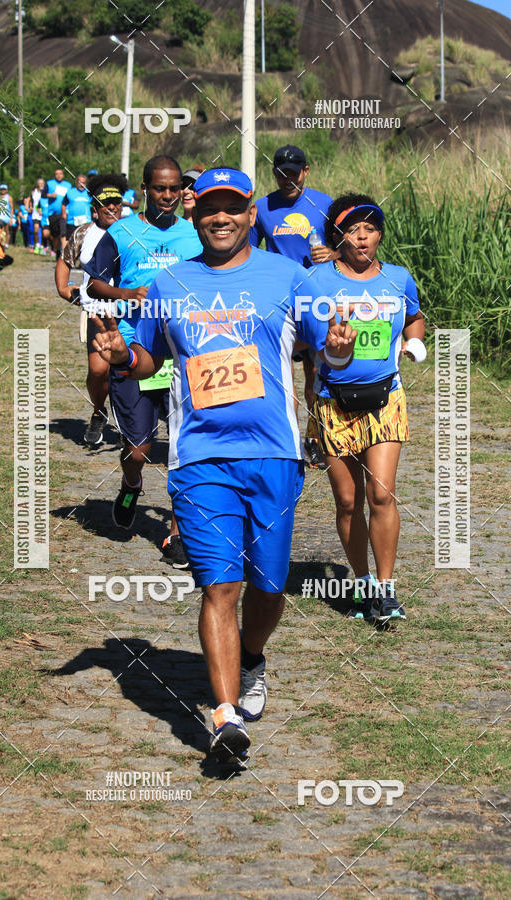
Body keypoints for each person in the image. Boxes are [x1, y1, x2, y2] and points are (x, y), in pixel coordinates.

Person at [90, 168, 357, 761]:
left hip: (274, 456)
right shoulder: (171, 284)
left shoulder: (289, 277)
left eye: (232, 208)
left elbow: (326, 349)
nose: (220, 218)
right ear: (195, 212)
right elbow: (145, 356)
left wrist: (337, 349)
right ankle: (224, 716)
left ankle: (253, 656)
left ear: (249, 212)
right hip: (199, 459)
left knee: (266, 587)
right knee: (221, 586)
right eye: (209, 207)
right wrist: (120, 353)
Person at [310, 194, 425, 624]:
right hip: (333, 402)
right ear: (336, 235)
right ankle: (360, 585)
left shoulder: (398, 278)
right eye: (352, 229)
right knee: (347, 500)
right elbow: (300, 340)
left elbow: (414, 316)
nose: (363, 237)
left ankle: (386, 589)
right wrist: (328, 348)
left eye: (371, 228)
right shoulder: (315, 281)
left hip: (385, 398)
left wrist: (414, 342)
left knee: (381, 493)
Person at [84, 155, 203, 567]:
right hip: (134, 350)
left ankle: (176, 534)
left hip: (185, 354)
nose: (168, 196)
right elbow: (95, 282)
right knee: (138, 450)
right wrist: (127, 295)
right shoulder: (122, 232)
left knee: (183, 450)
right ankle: (130, 484)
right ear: (145, 189)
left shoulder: (194, 235)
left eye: (174, 189)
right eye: (159, 189)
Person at [251, 145, 334, 468]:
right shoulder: (261, 208)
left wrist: (333, 255)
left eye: (294, 172)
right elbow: (248, 252)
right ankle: (284, 437)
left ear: (306, 171)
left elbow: (347, 248)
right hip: (278, 301)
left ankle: (314, 438)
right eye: (282, 173)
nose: (288, 179)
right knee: (280, 375)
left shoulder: (324, 204)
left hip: (316, 299)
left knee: (315, 373)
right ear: (274, 173)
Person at [55, 174, 126, 445]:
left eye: (116, 203)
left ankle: (127, 423)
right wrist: (64, 289)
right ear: (94, 207)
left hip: (127, 311)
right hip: (96, 312)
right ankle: (98, 412)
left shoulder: (131, 231)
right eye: (105, 203)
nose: (112, 208)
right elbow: (65, 261)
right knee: (98, 371)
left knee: (125, 369)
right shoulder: (83, 233)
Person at [46, 168, 72, 256]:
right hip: (52, 214)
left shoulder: (68, 185)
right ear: (54, 175)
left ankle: (63, 253)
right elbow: (42, 194)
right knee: (54, 235)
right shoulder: (49, 183)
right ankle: (57, 250)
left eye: (60, 174)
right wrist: (50, 195)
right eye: (57, 174)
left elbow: (71, 198)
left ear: (63, 175)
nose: (59, 175)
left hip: (64, 213)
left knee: (63, 232)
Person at [62, 174, 92, 239]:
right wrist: (63, 213)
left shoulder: (89, 193)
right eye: (80, 183)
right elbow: (63, 203)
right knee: (71, 241)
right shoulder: (70, 192)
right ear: (77, 182)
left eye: (83, 183)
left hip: (86, 221)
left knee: (85, 240)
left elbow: (94, 205)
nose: (82, 185)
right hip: (72, 221)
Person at [31, 177, 47, 253]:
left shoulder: (46, 193)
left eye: (42, 183)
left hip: (44, 215)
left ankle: (43, 246)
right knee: (36, 229)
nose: (41, 185)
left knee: (45, 233)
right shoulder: (34, 191)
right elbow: (31, 201)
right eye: (39, 183)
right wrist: (29, 207)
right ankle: (37, 244)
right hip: (35, 214)